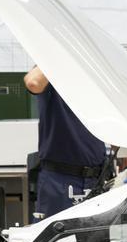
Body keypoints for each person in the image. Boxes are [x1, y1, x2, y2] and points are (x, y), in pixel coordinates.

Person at [23, 66, 108, 219]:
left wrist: (126, 162)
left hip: (95, 179)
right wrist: (56, 52)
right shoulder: (51, 77)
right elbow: (33, 82)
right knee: (55, 238)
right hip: (60, 181)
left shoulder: (93, 80)